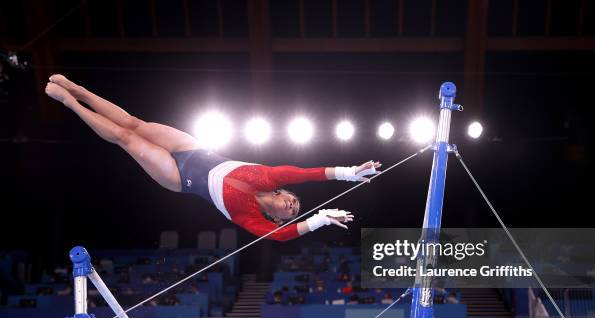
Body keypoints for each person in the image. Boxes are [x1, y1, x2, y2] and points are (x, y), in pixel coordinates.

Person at [45, 75, 381, 242]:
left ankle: (70, 104)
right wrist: (350, 172)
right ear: (281, 193)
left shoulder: (252, 219)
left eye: (292, 211)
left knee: (125, 138)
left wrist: (319, 219)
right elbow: (307, 173)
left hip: (180, 178)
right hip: (194, 150)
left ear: (279, 216)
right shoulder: (269, 176)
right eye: (293, 201)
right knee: (135, 123)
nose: (291, 205)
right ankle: (80, 91)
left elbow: (281, 237)